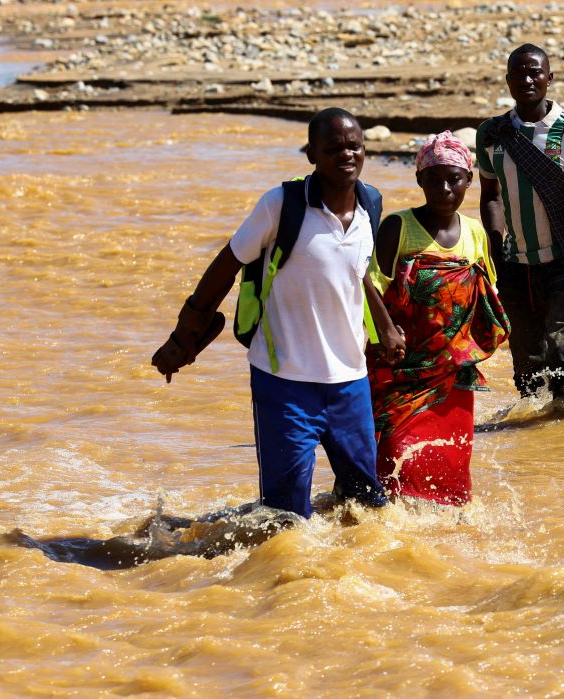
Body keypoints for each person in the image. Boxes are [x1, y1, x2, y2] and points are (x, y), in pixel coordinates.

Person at [151, 107, 402, 519]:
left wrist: (387, 328)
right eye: (334, 148)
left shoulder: (369, 205)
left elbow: (358, 274)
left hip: (350, 381)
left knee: (368, 505)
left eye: (355, 146)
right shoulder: (282, 205)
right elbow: (225, 266)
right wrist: (184, 337)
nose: (347, 155)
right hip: (283, 382)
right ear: (312, 155)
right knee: (284, 517)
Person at [366, 132, 510, 506]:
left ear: (469, 181)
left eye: (454, 178)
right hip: (399, 369)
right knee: (395, 456)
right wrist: (379, 339)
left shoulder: (476, 233)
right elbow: (368, 290)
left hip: (452, 375)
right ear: (419, 180)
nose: (444, 187)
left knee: (448, 467)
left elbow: (486, 295)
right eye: (434, 178)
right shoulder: (398, 227)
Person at [477, 43, 564, 416]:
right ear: (507, 81)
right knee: (525, 357)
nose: (527, 79)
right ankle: (533, 433)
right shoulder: (491, 134)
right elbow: (489, 196)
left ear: (549, 79)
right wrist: (495, 253)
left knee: (560, 347)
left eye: (535, 72)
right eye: (519, 73)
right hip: (515, 267)